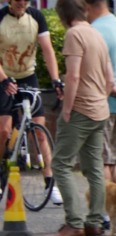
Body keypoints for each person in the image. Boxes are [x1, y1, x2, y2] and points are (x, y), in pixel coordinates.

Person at [41, 0, 116, 236]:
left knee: (60, 164)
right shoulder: (97, 34)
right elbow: (109, 78)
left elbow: (72, 76)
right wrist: (100, 99)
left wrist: (67, 108)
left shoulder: (74, 34)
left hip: (80, 109)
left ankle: (74, 224)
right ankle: (94, 223)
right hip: (100, 109)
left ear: (63, 16)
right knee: (94, 168)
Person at [0, 0, 62, 200]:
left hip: (27, 76)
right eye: (18, 0)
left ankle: (50, 183)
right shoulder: (1, 18)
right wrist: (4, 80)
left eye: (26, 0)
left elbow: (47, 49)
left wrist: (56, 80)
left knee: (40, 130)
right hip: (4, 75)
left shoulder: (36, 17)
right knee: (4, 130)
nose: (22, 3)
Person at [87, 0, 116, 184]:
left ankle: (103, 207)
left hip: (104, 101)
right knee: (113, 160)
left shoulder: (96, 31)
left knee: (101, 162)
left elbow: (96, 71)